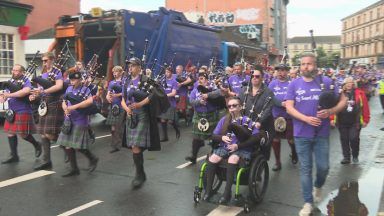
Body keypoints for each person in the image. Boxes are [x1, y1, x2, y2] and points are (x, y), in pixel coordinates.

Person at [285, 52, 347, 216]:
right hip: (301, 133)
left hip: (321, 133)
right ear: (300, 66)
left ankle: (318, 186)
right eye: (303, 64)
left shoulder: (326, 82)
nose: (306, 66)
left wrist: (331, 111)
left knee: (323, 167)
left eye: (309, 64)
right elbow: (289, 107)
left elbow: (343, 100)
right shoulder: (294, 84)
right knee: (305, 169)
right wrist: (305, 118)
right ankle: (308, 202)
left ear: (315, 65)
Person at [203, 97, 261, 204]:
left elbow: (256, 137)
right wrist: (222, 138)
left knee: (233, 159)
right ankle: (208, 191)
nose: (231, 108)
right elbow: (213, 135)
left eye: (234, 105)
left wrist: (238, 146)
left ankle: (227, 193)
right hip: (225, 147)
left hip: (242, 148)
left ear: (240, 107)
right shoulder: (224, 120)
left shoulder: (246, 120)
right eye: (229, 106)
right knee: (213, 158)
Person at [121, 57, 162, 188]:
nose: (130, 68)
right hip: (131, 115)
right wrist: (127, 108)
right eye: (129, 65)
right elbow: (123, 99)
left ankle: (139, 175)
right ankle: (141, 173)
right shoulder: (126, 81)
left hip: (143, 114)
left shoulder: (145, 80)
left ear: (139, 67)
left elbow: (152, 96)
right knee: (134, 146)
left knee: (136, 145)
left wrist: (139, 104)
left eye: (132, 65)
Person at [57, 71, 98, 177]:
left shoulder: (85, 89)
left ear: (80, 80)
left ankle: (93, 158)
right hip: (69, 119)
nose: (72, 82)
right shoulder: (69, 88)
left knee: (78, 146)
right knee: (67, 145)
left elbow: (89, 102)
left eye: (74, 80)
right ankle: (74, 169)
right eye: (71, 80)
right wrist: (65, 108)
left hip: (80, 119)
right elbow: (64, 101)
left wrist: (74, 107)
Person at [30, 52, 65, 170]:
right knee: (43, 134)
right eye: (43, 61)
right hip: (44, 105)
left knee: (49, 134)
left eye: (46, 60)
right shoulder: (43, 74)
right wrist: (34, 95)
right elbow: (40, 90)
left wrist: (43, 92)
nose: (44, 63)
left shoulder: (57, 72)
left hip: (54, 104)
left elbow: (59, 86)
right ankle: (47, 161)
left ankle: (67, 146)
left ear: (52, 60)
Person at [0, 64, 41, 164]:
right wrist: (3, 97)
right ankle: (14, 156)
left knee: (23, 134)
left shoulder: (26, 81)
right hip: (12, 110)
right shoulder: (11, 81)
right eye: (13, 70)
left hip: (23, 110)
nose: (14, 72)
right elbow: (4, 93)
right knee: (10, 132)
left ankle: (37, 145)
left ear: (22, 72)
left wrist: (9, 94)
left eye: (17, 70)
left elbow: (25, 92)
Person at [330, 77, 370, 164]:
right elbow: (334, 107)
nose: (349, 84)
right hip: (342, 121)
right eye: (347, 83)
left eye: (351, 82)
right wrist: (332, 118)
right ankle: (346, 157)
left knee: (354, 138)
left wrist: (366, 119)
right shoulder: (339, 94)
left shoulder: (360, 93)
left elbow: (365, 107)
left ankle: (355, 156)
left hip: (355, 122)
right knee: (344, 139)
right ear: (344, 84)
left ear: (353, 84)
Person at [185, 72, 222, 164]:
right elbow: (191, 101)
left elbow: (219, 93)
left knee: (214, 136)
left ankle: (214, 155)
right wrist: (199, 102)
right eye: (199, 78)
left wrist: (208, 95)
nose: (200, 80)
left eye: (202, 78)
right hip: (199, 115)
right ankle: (193, 156)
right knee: (196, 137)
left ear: (206, 79)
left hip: (211, 115)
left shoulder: (212, 87)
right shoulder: (195, 90)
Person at [239, 65, 274, 160]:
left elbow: (268, 109)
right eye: (252, 76)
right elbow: (238, 104)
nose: (254, 78)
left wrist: (259, 122)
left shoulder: (268, 92)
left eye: (257, 76)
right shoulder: (243, 90)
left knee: (262, 153)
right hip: (246, 124)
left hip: (263, 125)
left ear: (262, 77)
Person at [268, 64, 297, 171]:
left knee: (290, 139)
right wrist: (281, 104)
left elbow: (296, 97)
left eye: (283, 70)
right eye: (279, 71)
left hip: (289, 117)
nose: (281, 73)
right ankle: (277, 162)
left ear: (287, 72)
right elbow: (270, 97)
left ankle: (294, 152)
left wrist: (289, 104)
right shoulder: (272, 84)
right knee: (275, 139)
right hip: (276, 116)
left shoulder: (292, 83)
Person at [105, 66, 125, 153]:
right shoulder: (112, 82)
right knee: (113, 128)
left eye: (116, 72)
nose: (114, 73)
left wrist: (117, 95)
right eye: (113, 72)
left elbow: (126, 92)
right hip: (114, 107)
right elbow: (108, 93)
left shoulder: (125, 81)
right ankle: (115, 144)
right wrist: (107, 97)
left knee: (119, 127)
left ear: (121, 72)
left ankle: (118, 145)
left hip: (122, 106)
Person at [159, 67, 180, 142]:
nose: (166, 73)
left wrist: (165, 96)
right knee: (163, 119)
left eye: (168, 72)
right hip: (164, 103)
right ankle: (165, 137)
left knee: (170, 121)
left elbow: (174, 93)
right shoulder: (163, 80)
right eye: (166, 72)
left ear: (171, 72)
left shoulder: (174, 82)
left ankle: (177, 130)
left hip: (171, 103)